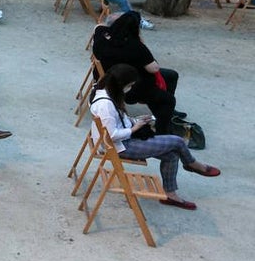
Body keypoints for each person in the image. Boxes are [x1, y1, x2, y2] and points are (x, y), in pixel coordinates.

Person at [90, 64, 219, 210]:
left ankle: (171, 195)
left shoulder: (105, 93)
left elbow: (115, 123)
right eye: (130, 85)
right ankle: (193, 165)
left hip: (119, 143)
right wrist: (134, 128)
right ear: (121, 84)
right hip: (119, 147)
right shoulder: (106, 105)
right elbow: (111, 135)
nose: (131, 89)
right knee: (177, 141)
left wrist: (136, 121)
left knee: (171, 155)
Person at [92, 11, 181, 135]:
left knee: (171, 75)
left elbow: (98, 25)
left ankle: (165, 111)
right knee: (168, 99)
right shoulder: (135, 46)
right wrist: (138, 37)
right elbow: (154, 68)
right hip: (124, 86)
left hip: (104, 77)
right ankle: (163, 131)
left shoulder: (101, 33)